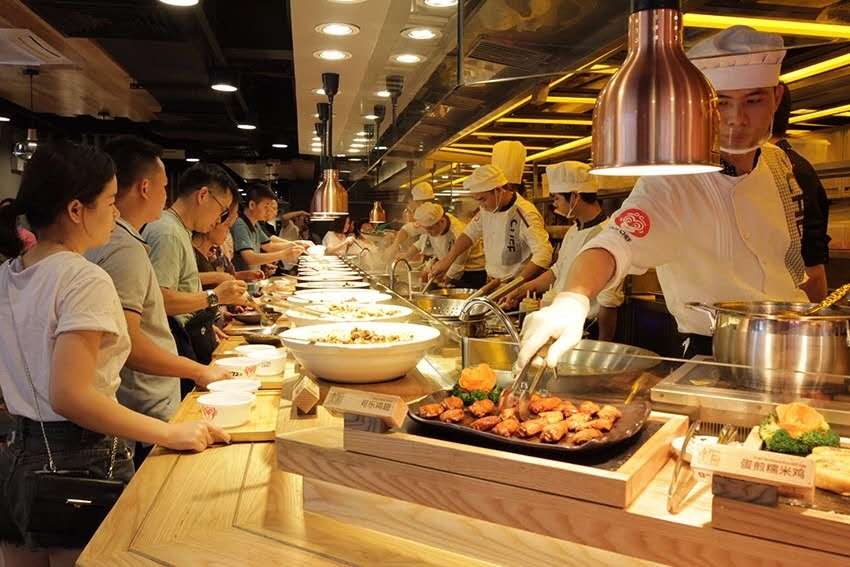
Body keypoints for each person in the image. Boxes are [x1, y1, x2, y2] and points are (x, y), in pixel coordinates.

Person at [518, 26, 812, 369]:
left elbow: (793, 264)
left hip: (799, 346)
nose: (737, 119)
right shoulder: (673, 181)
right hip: (716, 354)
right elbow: (613, 244)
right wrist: (573, 298)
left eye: (753, 100)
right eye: (722, 103)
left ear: (776, 97)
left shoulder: (779, 163)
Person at [0, 142, 228, 563]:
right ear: (76, 210)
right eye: (108, 202)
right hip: (80, 458)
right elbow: (70, 396)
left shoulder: (9, 273)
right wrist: (169, 432)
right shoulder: (83, 279)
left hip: (16, 455)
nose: (115, 213)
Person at [84, 136, 231, 465]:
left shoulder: (113, 241)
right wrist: (198, 370)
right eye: (164, 187)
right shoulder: (126, 247)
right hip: (143, 401)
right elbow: (130, 342)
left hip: (137, 400)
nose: (167, 196)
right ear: (145, 188)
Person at [502, 161, 622, 341]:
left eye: (557, 198)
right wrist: (523, 289)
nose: (554, 204)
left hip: (587, 329)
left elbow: (608, 302)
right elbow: (558, 271)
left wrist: (602, 345)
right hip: (559, 322)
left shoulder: (607, 235)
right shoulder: (574, 230)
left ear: (575, 197)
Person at [142, 163, 248, 367]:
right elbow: (159, 300)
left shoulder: (179, 230)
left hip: (186, 337)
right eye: (222, 210)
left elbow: (181, 287)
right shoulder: (168, 232)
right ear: (203, 195)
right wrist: (215, 296)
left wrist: (204, 325)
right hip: (171, 350)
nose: (219, 220)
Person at [427, 164, 553, 289]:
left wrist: (516, 285)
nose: (481, 205)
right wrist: (447, 261)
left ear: (498, 190)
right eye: (477, 200)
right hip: (492, 283)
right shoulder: (487, 209)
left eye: (483, 199)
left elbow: (543, 254)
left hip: (515, 286)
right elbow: (469, 234)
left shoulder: (525, 213)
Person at [771, 82, 830, 302]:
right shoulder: (804, 169)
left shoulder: (780, 169)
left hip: (787, 303)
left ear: (774, 102)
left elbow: (811, 265)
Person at [410, 203, 487, 289]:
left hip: (472, 273)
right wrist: (407, 254)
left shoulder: (458, 232)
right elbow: (413, 233)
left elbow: (458, 264)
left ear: (442, 221)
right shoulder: (433, 223)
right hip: (451, 267)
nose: (428, 232)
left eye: (430, 229)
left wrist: (443, 281)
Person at [230, 184, 305, 271]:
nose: (269, 211)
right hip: (242, 277)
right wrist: (284, 254)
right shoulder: (240, 224)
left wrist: (295, 244)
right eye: (266, 207)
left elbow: (269, 245)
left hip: (253, 276)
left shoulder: (255, 224)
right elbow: (249, 258)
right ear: (252, 205)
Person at [193, 198, 264, 285]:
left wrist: (247, 275)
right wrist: (216, 277)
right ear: (212, 224)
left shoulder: (217, 251)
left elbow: (229, 276)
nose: (228, 233)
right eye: (227, 226)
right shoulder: (192, 253)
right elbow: (185, 280)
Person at [385, 182, 435, 260]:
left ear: (417, 201)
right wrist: (407, 254)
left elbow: (408, 229)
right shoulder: (428, 215)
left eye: (409, 202)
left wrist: (394, 246)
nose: (408, 205)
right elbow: (421, 240)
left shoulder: (431, 216)